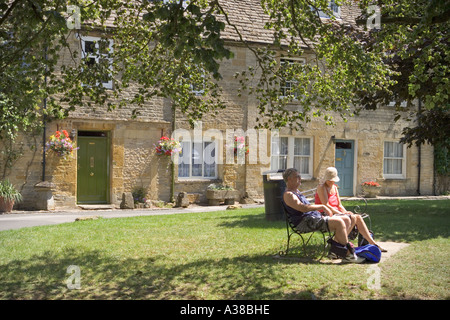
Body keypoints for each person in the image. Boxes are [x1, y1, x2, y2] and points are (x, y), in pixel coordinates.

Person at [282, 168, 365, 263]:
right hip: (305, 222)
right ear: (289, 179)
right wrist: (322, 206)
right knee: (339, 222)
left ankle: (335, 251)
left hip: (313, 219)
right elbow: (303, 208)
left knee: (346, 219)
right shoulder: (289, 194)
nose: (300, 178)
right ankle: (349, 254)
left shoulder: (296, 192)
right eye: (297, 176)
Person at [315, 167, 387, 252]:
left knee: (357, 217)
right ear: (326, 179)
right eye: (329, 180)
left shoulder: (334, 187)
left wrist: (345, 212)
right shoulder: (321, 187)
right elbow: (326, 205)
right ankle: (338, 244)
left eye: (333, 180)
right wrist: (342, 214)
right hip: (325, 213)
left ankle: (373, 243)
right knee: (352, 218)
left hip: (336, 213)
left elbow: (339, 205)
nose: (331, 182)